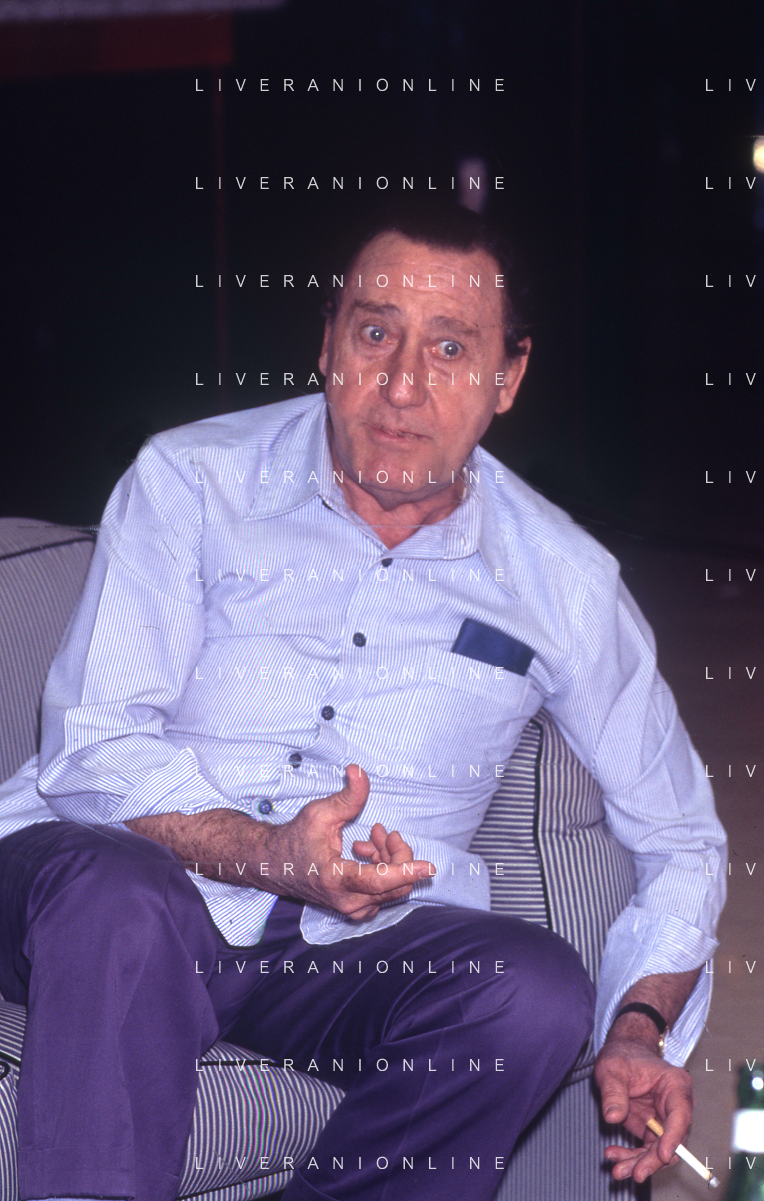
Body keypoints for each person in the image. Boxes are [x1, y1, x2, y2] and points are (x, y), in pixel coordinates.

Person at [0, 201, 726, 1201]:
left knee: (531, 993)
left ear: (508, 376)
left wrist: (637, 1025)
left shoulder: (562, 580)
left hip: (346, 948)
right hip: (124, 880)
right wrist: (267, 852)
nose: (401, 385)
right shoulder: (192, 480)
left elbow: (680, 837)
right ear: (327, 343)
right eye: (375, 333)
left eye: (450, 348)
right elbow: (93, 743)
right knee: (121, 903)